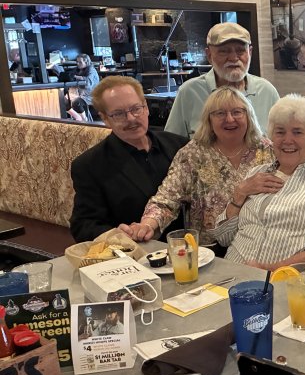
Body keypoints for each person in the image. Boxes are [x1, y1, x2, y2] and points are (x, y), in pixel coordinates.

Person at [121, 87, 276, 246]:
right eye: (220, 113)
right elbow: (166, 198)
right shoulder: (192, 154)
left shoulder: (268, 150)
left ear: (248, 116)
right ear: (209, 120)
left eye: (237, 112)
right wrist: (147, 225)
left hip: (260, 245)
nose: (229, 119)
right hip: (209, 251)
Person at [214, 95, 305, 271]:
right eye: (280, 132)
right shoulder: (256, 173)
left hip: (283, 282)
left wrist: (271, 268)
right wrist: (240, 193)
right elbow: (223, 238)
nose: (287, 140)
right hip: (229, 273)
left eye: (297, 132)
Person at [70, 76, 188, 242]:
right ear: (104, 118)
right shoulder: (89, 165)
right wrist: (116, 234)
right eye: (118, 114)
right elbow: (82, 225)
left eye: (136, 109)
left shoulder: (180, 146)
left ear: (146, 108)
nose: (131, 118)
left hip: (191, 249)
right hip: (136, 255)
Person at [164, 22, 279, 138]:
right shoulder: (189, 93)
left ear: (250, 52)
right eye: (224, 51)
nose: (234, 58)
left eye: (240, 50)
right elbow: (170, 145)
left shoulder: (267, 92)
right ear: (209, 55)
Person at [66, 53, 100, 121]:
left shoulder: (91, 70)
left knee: (77, 102)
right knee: (65, 101)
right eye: (77, 62)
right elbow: (70, 75)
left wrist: (78, 77)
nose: (78, 63)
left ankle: (85, 120)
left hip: (90, 95)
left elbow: (88, 84)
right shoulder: (77, 70)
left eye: (80, 62)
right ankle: (78, 118)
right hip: (79, 94)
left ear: (86, 62)